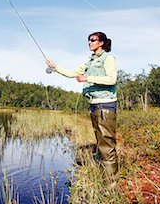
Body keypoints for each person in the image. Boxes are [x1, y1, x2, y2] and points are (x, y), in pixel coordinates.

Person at [46, 31, 118, 187]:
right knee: (101, 144)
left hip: (105, 105)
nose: (89, 43)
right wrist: (55, 67)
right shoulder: (90, 61)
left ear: (101, 43)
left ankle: (111, 187)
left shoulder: (109, 58)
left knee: (107, 146)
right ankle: (106, 181)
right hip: (95, 105)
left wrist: (87, 78)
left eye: (93, 40)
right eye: (88, 40)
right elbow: (72, 73)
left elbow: (112, 79)